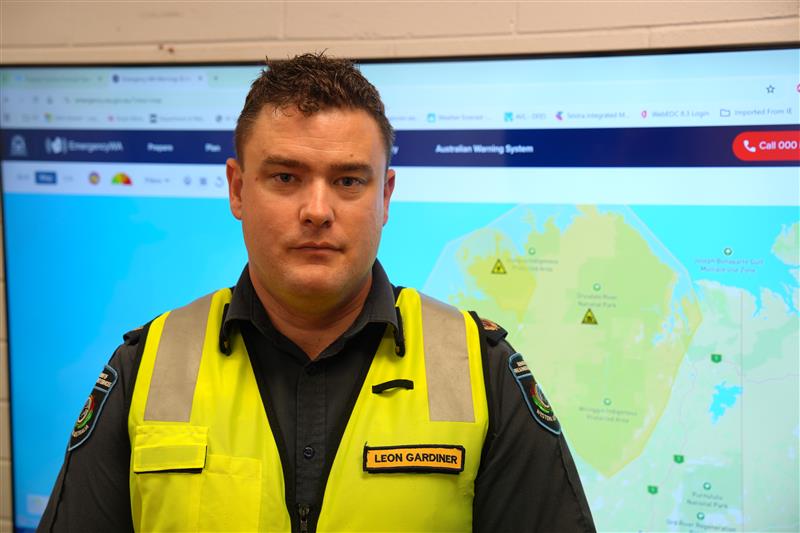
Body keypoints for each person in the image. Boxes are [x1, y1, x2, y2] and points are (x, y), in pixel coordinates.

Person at [38, 53, 596, 533]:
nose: (317, 210)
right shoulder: (146, 367)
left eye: (349, 181)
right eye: (286, 177)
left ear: (385, 196)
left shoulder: (482, 370)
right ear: (238, 189)